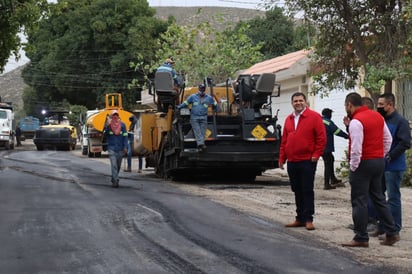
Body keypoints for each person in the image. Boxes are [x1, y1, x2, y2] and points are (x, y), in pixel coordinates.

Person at [341, 92, 399, 247]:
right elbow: (388, 139)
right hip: (378, 161)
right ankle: (392, 232)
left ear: (349, 105)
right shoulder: (377, 117)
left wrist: (354, 166)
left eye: (346, 106)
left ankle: (361, 237)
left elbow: (356, 148)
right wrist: (381, 154)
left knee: (359, 200)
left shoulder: (356, 121)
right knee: (378, 197)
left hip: (363, 163)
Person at [279, 92, 326, 231]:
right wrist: (282, 158)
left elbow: (321, 138)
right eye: (295, 101)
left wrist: (316, 155)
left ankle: (309, 219)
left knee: (307, 189)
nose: (298, 103)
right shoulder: (289, 119)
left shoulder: (314, 117)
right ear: (292, 103)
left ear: (305, 102)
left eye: (300, 100)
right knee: (296, 189)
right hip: (293, 160)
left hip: (307, 160)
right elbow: (284, 141)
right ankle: (299, 218)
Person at [370, 93, 411, 237]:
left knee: (393, 198)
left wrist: (390, 156)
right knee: (379, 197)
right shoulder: (381, 120)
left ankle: (394, 228)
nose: (378, 107)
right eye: (378, 104)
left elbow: (405, 143)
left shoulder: (401, 122)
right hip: (380, 165)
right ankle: (382, 226)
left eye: (381, 104)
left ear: (390, 105)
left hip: (394, 167)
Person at [177, 84, 218, 151]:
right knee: (197, 130)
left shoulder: (209, 98)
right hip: (194, 117)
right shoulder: (193, 97)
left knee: (202, 131)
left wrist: (216, 108)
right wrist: (179, 107)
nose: (202, 90)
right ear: (198, 89)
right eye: (201, 89)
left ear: (204, 89)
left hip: (204, 117)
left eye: (203, 89)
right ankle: (201, 144)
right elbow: (186, 103)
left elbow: (215, 104)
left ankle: (200, 146)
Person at [321, 108, 348, 190]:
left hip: (321, 147)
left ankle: (333, 179)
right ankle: (326, 184)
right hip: (326, 147)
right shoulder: (328, 122)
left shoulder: (319, 120)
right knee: (328, 163)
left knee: (331, 159)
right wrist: (347, 136)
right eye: (331, 114)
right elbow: (336, 131)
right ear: (329, 114)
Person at [104, 110, 128, 188]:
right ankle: (116, 180)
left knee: (117, 166)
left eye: (116, 115)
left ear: (118, 116)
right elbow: (105, 134)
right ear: (111, 116)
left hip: (120, 149)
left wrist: (125, 147)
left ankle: (114, 178)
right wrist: (107, 127)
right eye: (113, 115)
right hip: (112, 149)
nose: (115, 116)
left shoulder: (123, 125)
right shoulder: (109, 126)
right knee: (114, 165)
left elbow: (125, 136)